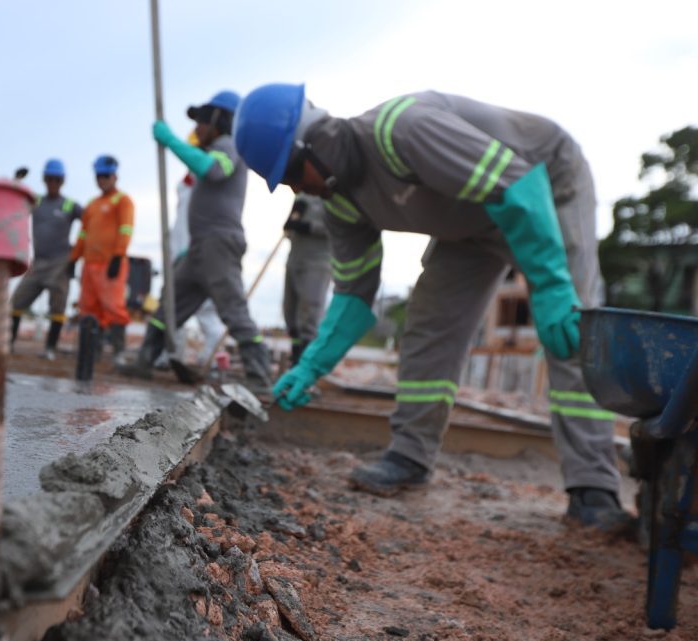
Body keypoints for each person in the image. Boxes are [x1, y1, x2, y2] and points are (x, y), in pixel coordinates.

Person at [233, 84, 631, 532]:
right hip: (472, 225)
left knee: (570, 331)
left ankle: (593, 489)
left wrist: (555, 287)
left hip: (542, 187)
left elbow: (516, 185)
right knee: (430, 324)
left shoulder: (401, 129)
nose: (297, 188)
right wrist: (311, 366)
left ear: (315, 142)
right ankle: (410, 454)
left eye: (290, 173)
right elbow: (352, 298)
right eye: (286, 183)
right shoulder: (340, 204)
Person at [130, 90, 273, 391]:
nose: (197, 129)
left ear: (222, 120)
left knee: (233, 309)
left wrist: (170, 141)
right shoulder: (214, 146)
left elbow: (214, 170)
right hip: (200, 246)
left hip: (219, 244)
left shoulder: (229, 145)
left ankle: (259, 374)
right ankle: (145, 360)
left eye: (203, 121)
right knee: (170, 305)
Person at [154, 143, 227, 371]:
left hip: (197, 251)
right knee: (175, 309)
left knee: (202, 309)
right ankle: (171, 354)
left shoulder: (206, 181)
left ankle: (213, 358)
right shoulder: (188, 183)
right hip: (181, 252)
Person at [9, 159, 82, 360]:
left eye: (56, 179)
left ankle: (50, 349)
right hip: (38, 262)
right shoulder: (36, 202)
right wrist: (16, 181)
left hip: (60, 263)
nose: (52, 183)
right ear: (44, 179)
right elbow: (14, 203)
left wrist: (77, 253)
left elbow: (91, 222)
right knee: (16, 302)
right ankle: (8, 344)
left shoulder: (70, 206)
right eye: (49, 179)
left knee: (57, 307)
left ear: (62, 181)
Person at [69, 155, 134, 364]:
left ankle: (119, 353)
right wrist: (73, 259)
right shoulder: (92, 204)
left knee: (114, 308)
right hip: (89, 265)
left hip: (110, 263)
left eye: (105, 176)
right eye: (98, 176)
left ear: (115, 176)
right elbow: (83, 234)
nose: (102, 180)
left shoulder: (122, 201)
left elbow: (126, 229)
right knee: (88, 308)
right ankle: (91, 353)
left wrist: (118, 255)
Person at [282, 193, 332, 366]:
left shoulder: (333, 196)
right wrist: (292, 222)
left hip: (317, 262)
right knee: (290, 311)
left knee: (310, 311)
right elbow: (289, 231)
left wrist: (308, 227)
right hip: (295, 259)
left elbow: (337, 228)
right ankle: (295, 357)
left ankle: (306, 365)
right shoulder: (302, 197)